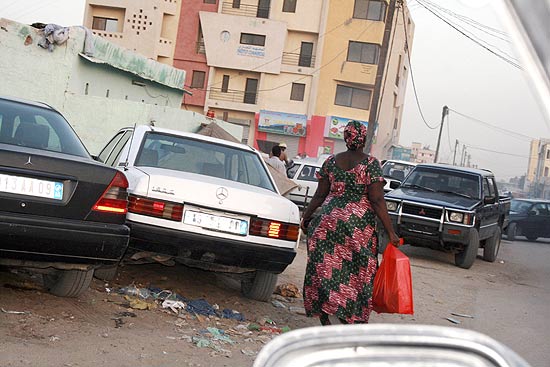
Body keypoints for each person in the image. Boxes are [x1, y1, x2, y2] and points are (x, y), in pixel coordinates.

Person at [300, 120, 400, 326]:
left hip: (327, 221)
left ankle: (326, 318)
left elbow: (320, 195)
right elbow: (377, 200)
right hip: (357, 227)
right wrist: (391, 232)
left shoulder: (330, 161)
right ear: (364, 139)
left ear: (345, 138)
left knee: (325, 269)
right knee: (358, 271)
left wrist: (307, 216)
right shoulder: (371, 164)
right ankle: (351, 319)